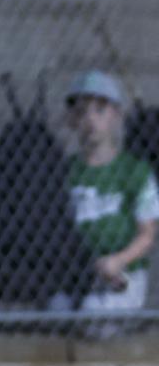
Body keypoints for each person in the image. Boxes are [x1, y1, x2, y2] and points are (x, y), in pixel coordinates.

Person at [49, 69, 159, 330]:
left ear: (116, 116)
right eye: (81, 111)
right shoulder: (66, 171)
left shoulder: (135, 171)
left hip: (124, 273)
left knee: (93, 317)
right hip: (79, 272)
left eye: (100, 110)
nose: (90, 120)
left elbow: (147, 234)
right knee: (55, 309)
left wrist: (118, 261)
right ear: (71, 120)